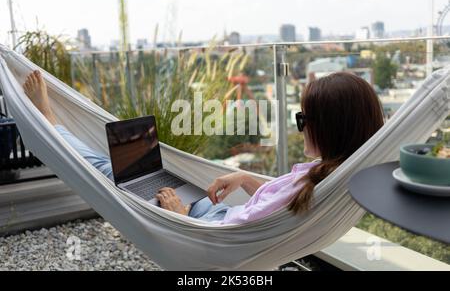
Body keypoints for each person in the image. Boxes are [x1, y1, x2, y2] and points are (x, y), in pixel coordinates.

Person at [23, 70, 384, 225]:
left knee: (105, 170)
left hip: (208, 225)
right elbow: (282, 203)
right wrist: (244, 177)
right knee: (148, 173)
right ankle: (61, 129)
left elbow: (225, 236)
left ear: (330, 128)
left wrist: (179, 216)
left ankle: (52, 122)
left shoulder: (321, 180)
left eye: (304, 121)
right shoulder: (332, 173)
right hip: (214, 215)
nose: (300, 127)